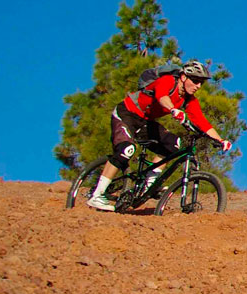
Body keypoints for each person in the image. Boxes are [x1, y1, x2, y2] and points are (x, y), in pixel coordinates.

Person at [86, 59, 233, 211]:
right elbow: (162, 96)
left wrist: (220, 140)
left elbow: (202, 122)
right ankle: (97, 195)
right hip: (126, 113)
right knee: (126, 149)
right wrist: (172, 109)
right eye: (195, 81)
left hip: (145, 121)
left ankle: (150, 183)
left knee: (174, 144)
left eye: (201, 83)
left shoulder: (189, 100)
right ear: (183, 77)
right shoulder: (168, 81)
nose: (198, 86)